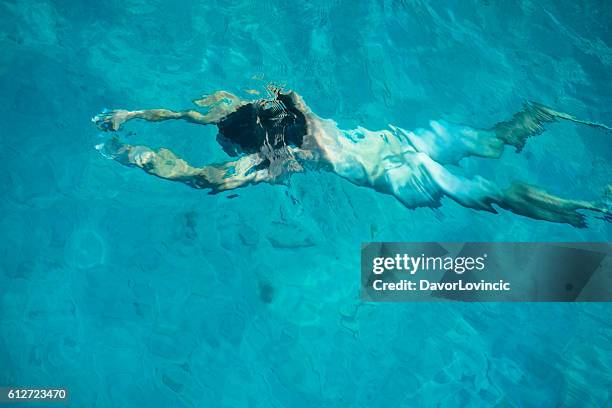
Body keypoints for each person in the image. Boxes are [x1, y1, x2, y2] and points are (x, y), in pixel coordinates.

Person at [92, 87, 611, 228]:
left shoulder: (285, 159)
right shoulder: (298, 116)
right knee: (488, 142)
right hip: (399, 138)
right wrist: (135, 111)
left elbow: (209, 178)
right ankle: (536, 119)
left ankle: (593, 205)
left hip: (401, 173)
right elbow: (207, 113)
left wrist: (136, 157)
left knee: (496, 196)